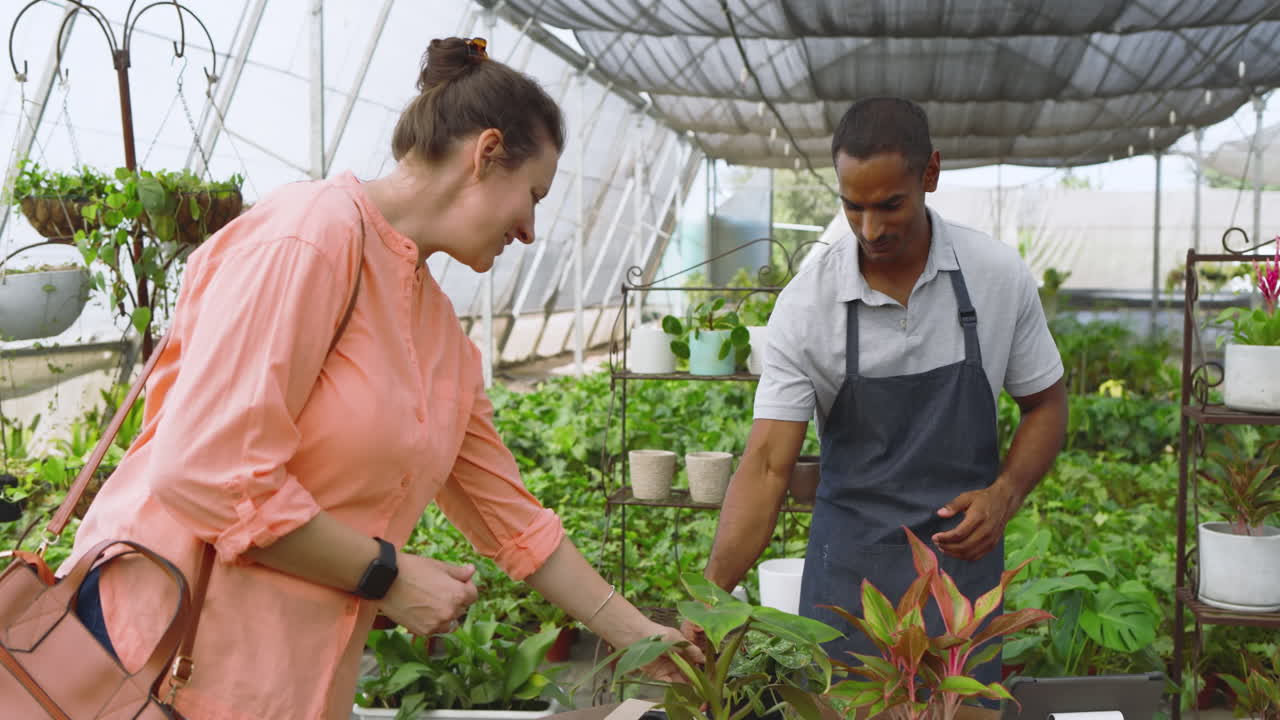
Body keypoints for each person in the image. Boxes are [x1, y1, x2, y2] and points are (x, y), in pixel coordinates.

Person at [62, 37, 699, 720]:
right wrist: (387, 575)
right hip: (156, 665)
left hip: (292, 685)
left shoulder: (440, 335)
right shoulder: (310, 235)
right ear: (485, 154)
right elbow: (205, 470)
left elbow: (511, 521)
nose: (531, 230)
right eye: (532, 196)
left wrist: (639, 637)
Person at [681, 97, 1068, 707]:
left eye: (890, 204)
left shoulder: (996, 276)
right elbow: (766, 466)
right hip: (850, 591)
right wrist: (711, 597)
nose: (870, 229)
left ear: (930, 174)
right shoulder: (809, 304)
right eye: (852, 206)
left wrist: (1006, 493)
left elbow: (1046, 404)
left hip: (959, 584)